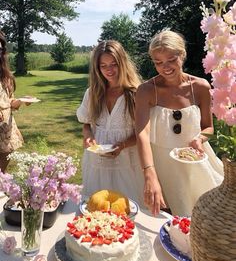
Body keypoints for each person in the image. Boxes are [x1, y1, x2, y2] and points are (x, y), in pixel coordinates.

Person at [135, 30, 224, 217]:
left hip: (194, 162)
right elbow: (141, 133)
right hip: (161, 165)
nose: (164, 67)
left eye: (170, 60)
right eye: (158, 62)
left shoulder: (200, 87)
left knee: (206, 217)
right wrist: (149, 173)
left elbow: (208, 128)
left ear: (182, 55)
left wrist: (199, 139)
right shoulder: (146, 91)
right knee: (168, 221)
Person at [76, 40, 145, 207]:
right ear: (97, 68)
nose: (109, 70)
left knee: (126, 207)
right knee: (95, 206)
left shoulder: (136, 93)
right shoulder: (93, 93)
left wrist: (122, 145)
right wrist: (88, 136)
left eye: (114, 64)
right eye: (103, 65)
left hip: (127, 161)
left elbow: (143, 132)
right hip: (96, 162)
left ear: (123, 63)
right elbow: (86, 123)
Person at [0, 31, 24, 172]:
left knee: (2, 176)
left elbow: (9, 101)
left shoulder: (5, 75)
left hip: (6, 135)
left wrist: (18, 102)